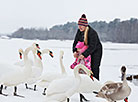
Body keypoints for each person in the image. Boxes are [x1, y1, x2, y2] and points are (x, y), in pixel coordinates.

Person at [72, 14, 102, 81]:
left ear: (85, 25)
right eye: (79, 25)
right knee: (83, 67)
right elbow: (75, 42)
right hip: (85, 50)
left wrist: (84, 55)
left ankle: (96, 85)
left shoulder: (92, 33)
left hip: (96, 51)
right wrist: (74, 51)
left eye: (81, 25)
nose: (80, 27)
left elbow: (92, 46)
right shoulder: (79, 31)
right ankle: (85, 83)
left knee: (94, 68)